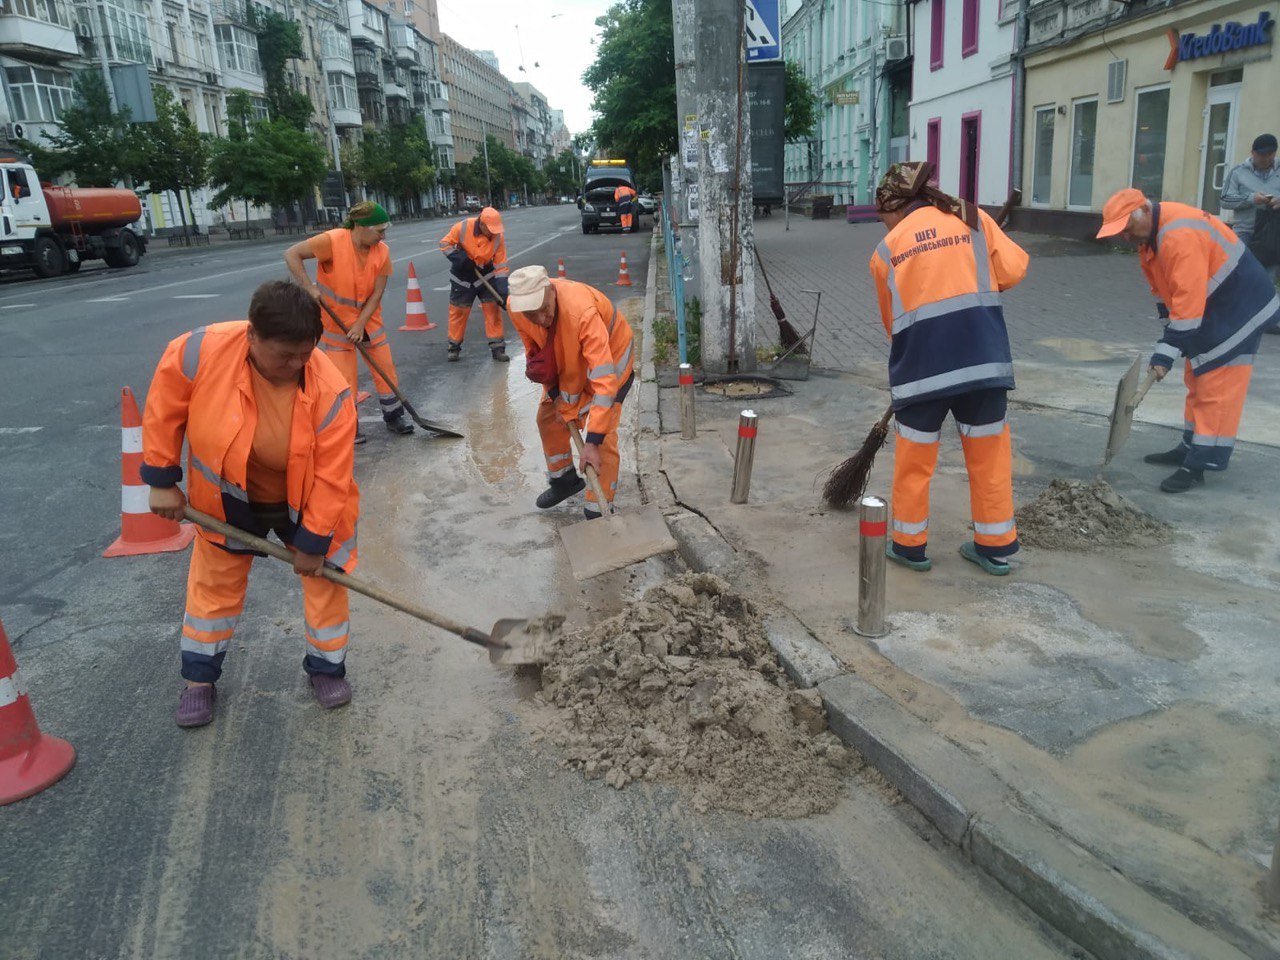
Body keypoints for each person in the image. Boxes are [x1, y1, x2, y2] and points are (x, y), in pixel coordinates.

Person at [141, 281, 361, 727]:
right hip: (228, 495)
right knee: (214, 585)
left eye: (305, 354)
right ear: (251, 336)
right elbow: (164, 410)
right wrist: (162, 479)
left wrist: (314, 542)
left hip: (306, 500)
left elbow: (332, 476)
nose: (297, 365)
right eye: (285, 356)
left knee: (326, 581)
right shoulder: (198, 352)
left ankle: (326, 669)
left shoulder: (331, 389)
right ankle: (199, 680)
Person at [869, 161, 1029, 576]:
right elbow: (1013, 270)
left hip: (921, 371)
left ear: (894, 205)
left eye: (882, 217)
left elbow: (892, 323)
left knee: (914, 462)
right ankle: (995, 549)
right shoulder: (973, 219)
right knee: (989, 458)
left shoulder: (887, 250)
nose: (884, 225)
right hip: (983, 363)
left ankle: (909, 548)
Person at [1096, 187, 1279, 492]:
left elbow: (1189, 303)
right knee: (1196, 376)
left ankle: (1200, 463)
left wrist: (1165, 354)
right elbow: (1165, 291)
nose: (1125, 236)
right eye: (1120, 232)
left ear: (1144, 210)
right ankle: (1190, 446)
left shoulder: (1178, 236)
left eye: (1127, 228)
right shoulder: (1149, 239)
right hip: (1216, 305)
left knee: (1216, 386)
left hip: (1240, 308)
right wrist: (1172, 337)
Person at [505, 265, 634, 517]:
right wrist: (554, 393)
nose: (541, 319)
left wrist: (592, 442)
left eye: (544, 309)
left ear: (551, 291)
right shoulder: (516, 308)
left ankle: (598, 507)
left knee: (604, 434)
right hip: (569, 357)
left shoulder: (581, 311)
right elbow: (537, 353)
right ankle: (564, 480)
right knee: (548, 417)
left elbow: (604, 380)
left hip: (612, 358)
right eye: (532, 315)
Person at [284, 201, 414, 443]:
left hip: (369, 321)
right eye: (379, 231)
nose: (383, 236)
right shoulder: (331, 241)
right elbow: (292, 254)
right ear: (361, 226)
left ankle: (394, 416)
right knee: (343, 380)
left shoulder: (382, 252)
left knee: (385, 369)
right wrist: (308, 286)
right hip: (337, 325)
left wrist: (360, 324)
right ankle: (348, 426)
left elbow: (377, 293)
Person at [438, 206, 510, 362]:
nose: (493, 233)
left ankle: (498, 348)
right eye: (490, 230)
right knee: (458, 312)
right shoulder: (463, 227)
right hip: (463, 276)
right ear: (482, 224)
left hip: (486, 275)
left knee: (493, 311)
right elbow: (444, 244)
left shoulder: (498, 237)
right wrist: (461, 260)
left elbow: (500, 265)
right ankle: (454, 347)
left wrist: (503, 291)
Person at [1219, 133, 1280, 249]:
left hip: (1275, 231)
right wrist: (1251, 198)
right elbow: (1225, 199)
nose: (1266, 159)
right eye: (1262, 155)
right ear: (1253, 153)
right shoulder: (1238, 172)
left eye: (1270, 154)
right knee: (1235, 258)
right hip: (1246, 231)